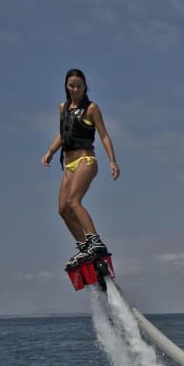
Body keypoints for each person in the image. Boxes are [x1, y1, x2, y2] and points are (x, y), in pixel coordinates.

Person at [41, 68, 120, 267]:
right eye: (72, 86)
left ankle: (95, 242)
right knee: (63, 209)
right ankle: (84, 248)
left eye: (79, 86)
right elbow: (63, 132)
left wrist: (112, 160)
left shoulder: (91, 108)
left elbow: (103, 135)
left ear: (85, 87)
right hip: (69, 164)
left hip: (86, 160)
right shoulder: (63, 107)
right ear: (66, 87)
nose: (76, 89)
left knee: (73, 201)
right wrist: (50, 151)